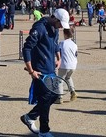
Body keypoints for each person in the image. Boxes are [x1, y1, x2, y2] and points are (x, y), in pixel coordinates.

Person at [20, 8, 70, 137]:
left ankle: (30, 117)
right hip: (39, 70)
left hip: (50, 69)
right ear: (54, 18)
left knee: (53, 96)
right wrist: (31, 71)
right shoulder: (40, 28)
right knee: (45, 98)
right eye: (60, 24)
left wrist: (58, 57)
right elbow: (26, 48)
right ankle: (44, 131)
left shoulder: (55, 28)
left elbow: (55, 44)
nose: (61, 27)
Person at [55, 28, 78, 104]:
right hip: (73, 65)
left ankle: (60, 97)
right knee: (68, 77)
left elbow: (59, 52)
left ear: (64, 34)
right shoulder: (74, 44)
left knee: (60, 80)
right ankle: (72, 91)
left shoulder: (62, 43)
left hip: (64, 65)